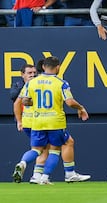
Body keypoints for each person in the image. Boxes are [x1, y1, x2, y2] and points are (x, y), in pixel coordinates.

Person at [12, 56, 89, 185]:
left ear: (43, 67)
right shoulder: (60, 83)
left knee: (36, 150)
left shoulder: (32, 82)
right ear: (58, 67)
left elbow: (24, 101)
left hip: (37, 122)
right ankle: (49, 176)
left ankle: (23, 163)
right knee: (54, 149)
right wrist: (81, 108)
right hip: (54, 121)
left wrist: (35, 102)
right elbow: (69, 102)